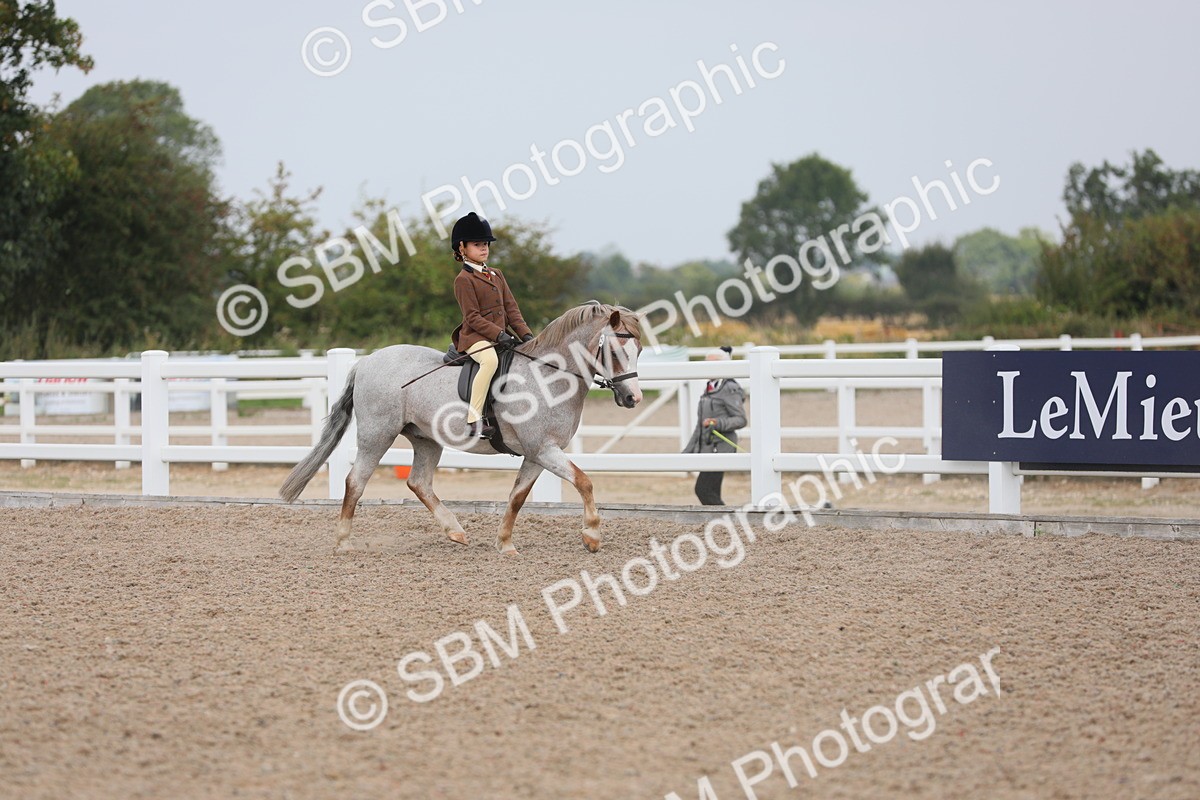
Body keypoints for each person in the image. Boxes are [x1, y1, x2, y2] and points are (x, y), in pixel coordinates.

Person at [450, 212, 534, 438]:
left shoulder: (497, 274)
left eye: (485, 244)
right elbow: (472, 318)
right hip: (475, 338)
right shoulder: (463, 280)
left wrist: (526, 335)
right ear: (462, 248)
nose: (484, 248)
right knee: (489, 361)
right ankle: (473, 419)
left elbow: (511, 309)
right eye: (477, 244)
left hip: (499, 336)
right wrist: (499, 335)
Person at [682, 346, 746, 505]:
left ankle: (725, 519)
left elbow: (740, 419)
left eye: (712, 363)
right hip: (708, 449)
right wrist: (687, 452)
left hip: (721, 448)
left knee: (704, 489)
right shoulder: (710, 387)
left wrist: (717, 423)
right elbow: (700, 425)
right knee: (710, 491)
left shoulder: (730, 388)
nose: (707, 367)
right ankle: (720, 519)